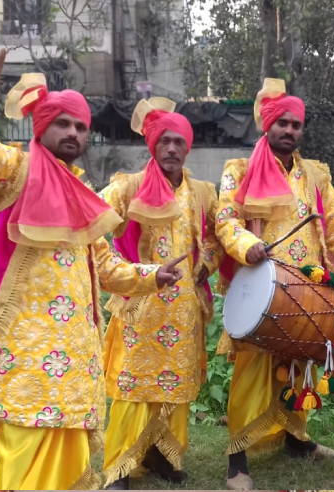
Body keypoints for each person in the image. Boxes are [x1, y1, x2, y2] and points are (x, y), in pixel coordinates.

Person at [0, 50, 183, 489]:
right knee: (26, 454)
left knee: (70, 459)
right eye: (63, 123)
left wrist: (151, 276)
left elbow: (105, 266)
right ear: (41, 126)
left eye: (80, 126)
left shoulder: (81, 190)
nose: (73, 132)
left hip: (74, 354)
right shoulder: (16, 171)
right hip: (23, 351)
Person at [213, 78, 334, 489]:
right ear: (266, 126)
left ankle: (297, 439)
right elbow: (225, 221)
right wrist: (246, 245)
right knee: (251, 372)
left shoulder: (316, 176)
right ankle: (237, 460)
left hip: (310, 289)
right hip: (261, 288)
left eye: (296, 124)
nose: (289, 130)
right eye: (282, 123)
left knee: (303, 365)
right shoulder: (240, 170)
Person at [98, 98, 224, 489]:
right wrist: (123, 271)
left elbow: (216, 240)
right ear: (153, 145)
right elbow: (91, 222)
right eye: (165, 141)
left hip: (184, 308)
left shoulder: (203, 193)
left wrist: (202, 267)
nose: (172, 149)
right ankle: (119, 467)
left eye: (179, 143)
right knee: (134, 390)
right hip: (140, 307)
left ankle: (164, 456)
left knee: (176, 389)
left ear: (188, 148)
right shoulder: (128, 187)